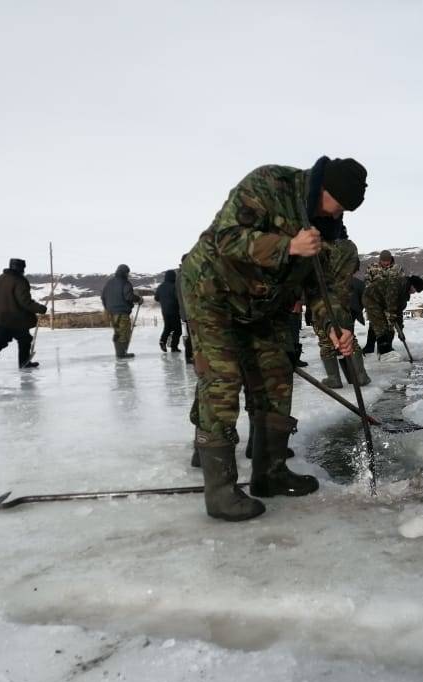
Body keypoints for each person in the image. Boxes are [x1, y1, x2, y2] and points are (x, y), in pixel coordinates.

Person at [181, 155, 367, 522]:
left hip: (265, 305)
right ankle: (220, 492)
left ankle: (271, 473)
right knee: (223, 379)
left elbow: (319, 287)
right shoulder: (270, 184)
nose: (337, 215)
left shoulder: (327, 229)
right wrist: (288, 247)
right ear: (324, 188)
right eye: (338, 206)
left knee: (276, 376)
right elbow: (226, 239)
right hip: (212, 290)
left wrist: (334, 325)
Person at [312, 233, 370, 388]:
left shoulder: (318, 246)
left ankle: (334, 378)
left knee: (326, 341)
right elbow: (354, 267)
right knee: (349, 339)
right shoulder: (349, 247)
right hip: (345, 301)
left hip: (323, 300)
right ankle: (360, 375)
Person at [0, 258, 47, 371]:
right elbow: (24, 301)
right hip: (15, 318)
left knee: (2, 338)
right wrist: (40, 308)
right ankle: (23, 362)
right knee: (24, 339)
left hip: (1, 317)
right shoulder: (19, 280)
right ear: (21, 268)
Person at [364, 272, 423, 357]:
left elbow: (398, 312)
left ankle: (383, 349)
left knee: (387, 326)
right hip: (371, 298)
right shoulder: (396, 284)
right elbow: (391, 302)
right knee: (380, 324)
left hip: (382, 302)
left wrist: (400, 330)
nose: (414, 293)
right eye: (415, 290)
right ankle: (382, 351)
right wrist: (392, 315)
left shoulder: (404, 293)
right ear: (412, 285)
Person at [362, 250, 404, 353]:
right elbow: (367, 283)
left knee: (390, 326)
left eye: (388, 261)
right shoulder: (372, 267)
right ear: (380, 260)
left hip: (390, 302)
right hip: (375, 301)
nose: (386, 263)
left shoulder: (397, 269)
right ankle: (369, 347)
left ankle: (387, 347)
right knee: (374, 324)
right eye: (383, 261)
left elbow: (401, 285)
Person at [101, 264, 143, 359]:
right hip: (122, 312)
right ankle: (122, 354)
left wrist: (108, 308)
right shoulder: (125, 283)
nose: (128, 275)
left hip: (111, 313)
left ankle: (119, 353)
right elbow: (128, 296)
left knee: (117, 332)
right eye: (127, 273)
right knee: (124, 333)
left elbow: (103, 297)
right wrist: (138, 299)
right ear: (125, 272)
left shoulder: (109, 283)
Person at [154, 269, 182, 353]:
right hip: (174, 310)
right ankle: (174, 347)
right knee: (177, 330)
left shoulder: (160, 286)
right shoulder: (174, 286)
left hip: (165, 311)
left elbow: (156, 298)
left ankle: (162, 341)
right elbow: (178, 298)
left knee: (167, 327)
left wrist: (164, 300)